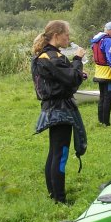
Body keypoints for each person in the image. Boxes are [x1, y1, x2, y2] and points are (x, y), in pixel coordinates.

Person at [31, 20, 87, 204]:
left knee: (54, 152)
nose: (69, 38)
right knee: (61, 153)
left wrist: (77, 70)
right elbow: (71, 78)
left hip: (52, 108)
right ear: (56, 35)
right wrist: (78, 60)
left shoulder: (46, 55)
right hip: (60, 110)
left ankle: (53, 193)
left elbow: (62, 76)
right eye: (67, 35)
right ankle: (60, 199)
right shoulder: (52, 56)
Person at [90, 22, 111, 126]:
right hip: (108, 75)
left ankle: (101, 121)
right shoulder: (108, 41)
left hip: (99, 73)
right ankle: (106, 123)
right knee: (108, 98)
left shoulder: (97, 39)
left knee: (102, 98)